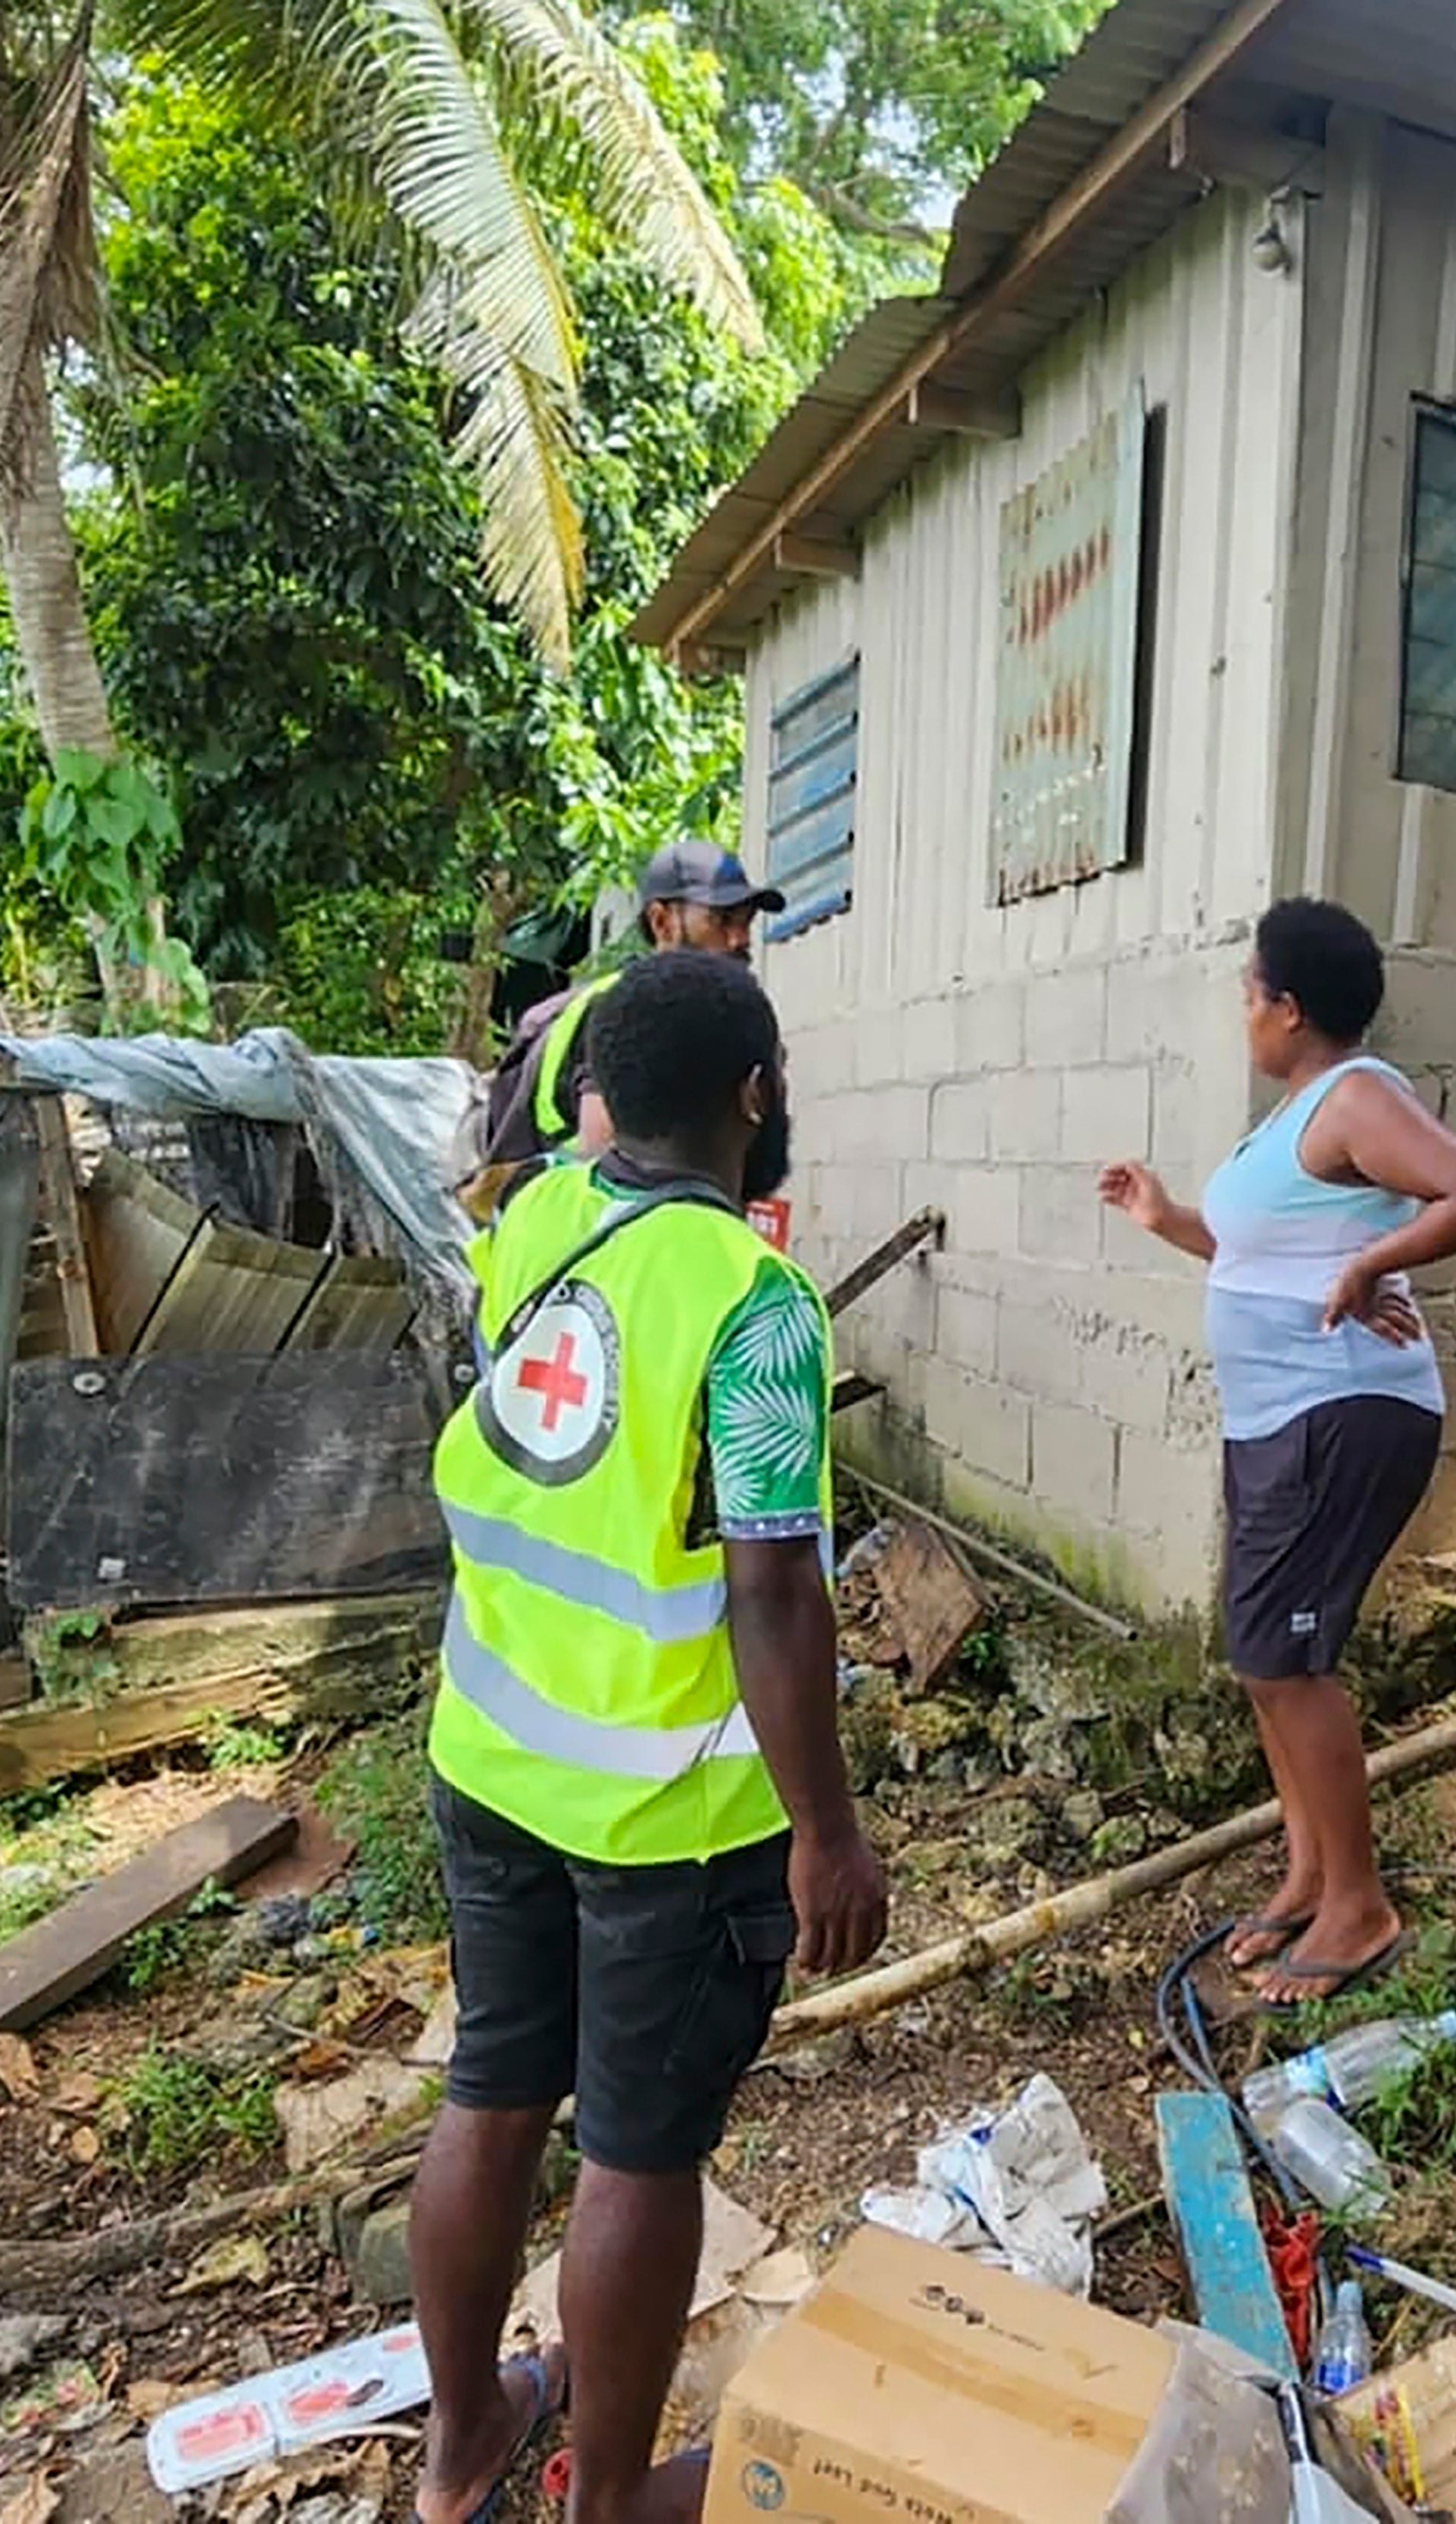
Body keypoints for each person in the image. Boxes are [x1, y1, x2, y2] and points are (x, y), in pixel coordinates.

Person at [410, 949, 886, 2524]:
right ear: (755, 1093)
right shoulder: (753, 1302)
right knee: (634, 2151)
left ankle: (462, 2443)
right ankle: (607, 2499)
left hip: (490, 1754)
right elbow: (772, 1590)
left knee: (492, 2086)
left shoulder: (537, 1218)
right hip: (665, 1815)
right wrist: (827, 1831)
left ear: (606, 1096)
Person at [1099, 899, 1456, 2005]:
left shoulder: (1357, 1097)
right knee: (1263, 1662)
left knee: (1287, 1664)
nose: (1241, 1010)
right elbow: (1258, 1256)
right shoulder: (1292, 1118)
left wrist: (1373, 1263)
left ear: (1289, 1007)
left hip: (1339, 1412)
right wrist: (1166, 1219)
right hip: (1276, 1422)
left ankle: (1359, 1906)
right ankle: (1310, 1874)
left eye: (1249, 992)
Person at [458, 838, 784, 1202]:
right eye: (721, 920)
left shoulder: (707, 1023)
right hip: (564, 1216)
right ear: (662, 922)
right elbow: (603, 1158)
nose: (740, 939)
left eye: (747, 922)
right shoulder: (627, 1013)